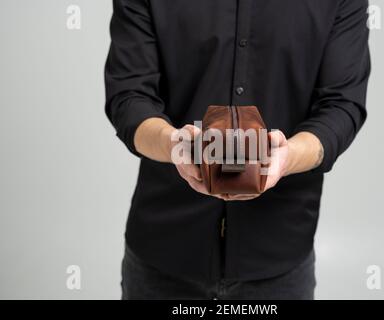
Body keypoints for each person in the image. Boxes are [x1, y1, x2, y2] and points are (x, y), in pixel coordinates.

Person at [105, 0, 370, 300]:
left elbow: (342, 105)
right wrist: (176, 145)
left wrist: (287, 157)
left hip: (279, 255)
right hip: (164, 250)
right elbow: (129, 97)